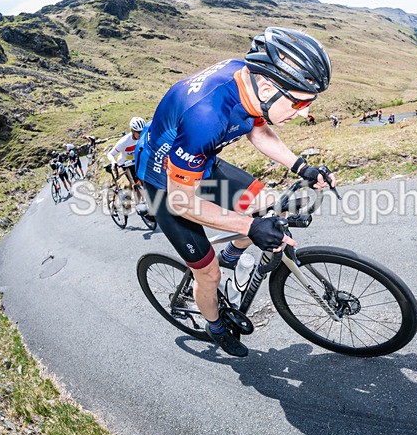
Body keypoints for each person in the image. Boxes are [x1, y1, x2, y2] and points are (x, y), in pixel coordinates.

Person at [134, 27, 335, 357]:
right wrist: (250, 227)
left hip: (203, 165)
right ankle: (214, 325)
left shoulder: (250, 82)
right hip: (164, 185)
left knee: (269, 204)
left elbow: (257, 128)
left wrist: (302, 167)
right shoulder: (205, 117)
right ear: (269, 87)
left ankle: (233, 254)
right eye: (298, 103)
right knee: (209, 272)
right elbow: (180, 201)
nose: (304, 113)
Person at [107, 117, 147, 209]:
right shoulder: (124, 141)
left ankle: (135, 198)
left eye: (143, 131)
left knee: (143, 180)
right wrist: (113, 162)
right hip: (126, 163)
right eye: (139, 132)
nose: (141, 134)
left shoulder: (144, 136)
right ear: (132, 131)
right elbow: (110, 154)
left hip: (137, 160)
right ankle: (138, 204)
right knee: (135, 183)